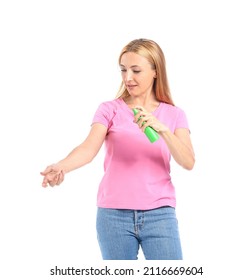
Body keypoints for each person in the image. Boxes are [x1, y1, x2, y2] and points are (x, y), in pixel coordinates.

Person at [40, 38, 195, 260]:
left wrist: (162, 129)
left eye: (136, 70)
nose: (127, 78)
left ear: (155, 72)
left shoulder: (174, 114)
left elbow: (188, 162)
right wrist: (60, 166)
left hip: (160, 214)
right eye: (123, 70)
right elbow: (88, 148)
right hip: (113, 216)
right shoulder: (109, 109)